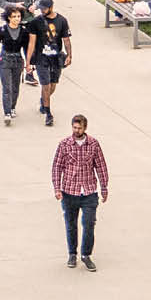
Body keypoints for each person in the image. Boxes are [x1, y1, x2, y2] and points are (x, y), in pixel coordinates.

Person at [51, 113, 108, 270]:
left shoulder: (94, 144)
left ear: (85, 128)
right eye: (74, 127)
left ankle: (86, 255)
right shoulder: (64, 145)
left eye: (79, 128)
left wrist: (104, 187)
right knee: (71, 225)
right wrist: (57, 188)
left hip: (89, 191)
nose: (76, 130)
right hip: (69, 191)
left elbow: (101, 166)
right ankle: (72, 254)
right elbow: (57, 167)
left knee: (89, 223)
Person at [0, 6, 32, 126]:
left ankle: (12, 107)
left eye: (19, 16)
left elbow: (26, 49)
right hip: (5, 60)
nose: (17, 19)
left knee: (15, 87)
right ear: (8, 18)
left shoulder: (24, 32)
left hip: (18, 61)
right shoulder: (2, 30)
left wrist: (29, 63)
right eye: (14, 16)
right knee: (7, 88)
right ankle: (7, 112)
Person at [29, 0, 71, 126]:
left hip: (55, 58)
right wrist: (28, 61)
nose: (42, 11)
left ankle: (43, 101)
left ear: (51, 7)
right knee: (45, 86)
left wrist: (69, 55)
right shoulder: (36, 22)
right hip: (42, 58)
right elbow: (32, 42)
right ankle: (48, 113)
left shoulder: (62, 21)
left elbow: (66, 40)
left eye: (44, 8)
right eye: (40, 8)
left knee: (53, 85)